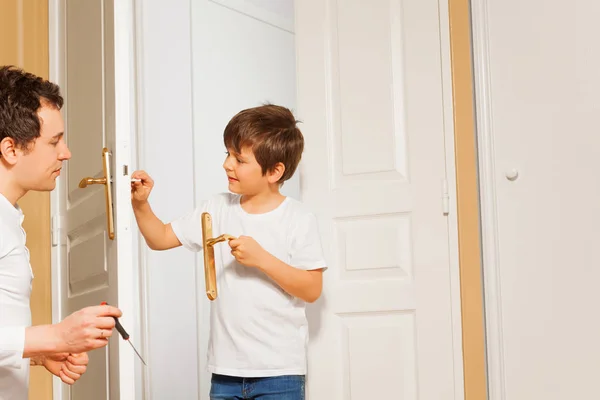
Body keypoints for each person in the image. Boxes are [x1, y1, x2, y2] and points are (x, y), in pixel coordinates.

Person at [131, 104, 326, 399]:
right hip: (225, 373)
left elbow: (311, 289)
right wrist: (141, 204)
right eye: (227, 154)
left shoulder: (298, 219)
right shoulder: (218, 208)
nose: (227, 165)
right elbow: (160, 238)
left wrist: (262, 259)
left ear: (274, 171)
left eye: (239, 159)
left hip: (279, 372)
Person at [0, 65, 123, 398]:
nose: (66, 153)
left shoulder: (8, 216)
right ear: (11, 149)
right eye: (54, 142)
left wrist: (38, 352)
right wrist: (56, 337)